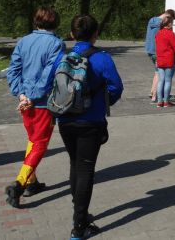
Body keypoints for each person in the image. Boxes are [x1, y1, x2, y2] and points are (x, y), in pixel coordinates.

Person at [57, 14, 124, 239]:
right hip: (91, 121)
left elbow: (51, 86)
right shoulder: (102, 58)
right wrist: (102, 103)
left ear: (72, 34)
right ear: (96, 34)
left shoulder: (62, 58)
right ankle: (79, 226)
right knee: (86, 170)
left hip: (65, 120)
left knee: (74, 164)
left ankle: (80, 211)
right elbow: (116, 87)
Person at [4, 7, 64, 208]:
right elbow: (49, 74)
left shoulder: (24, 41)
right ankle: (20, 183)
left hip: (24, 102)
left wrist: (21, 94)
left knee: (32, 139)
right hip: (43, 103)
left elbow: (13, 70)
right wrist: (32, 96)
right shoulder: (56, 44)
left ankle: (32, 182)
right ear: (56, 23)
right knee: (40, 143)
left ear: (36, 21)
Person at [145, 9, 175, 102]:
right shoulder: (163, 25)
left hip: (149, 49)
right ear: (168, 17)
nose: (171, 23)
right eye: (171, 20)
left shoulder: (152, 20)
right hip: (158, 51)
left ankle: (152, 92)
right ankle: (155, 96)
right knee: (159, 73)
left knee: (157, 72)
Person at [154, 15, 175, 108]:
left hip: (160, 59)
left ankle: (159, 101)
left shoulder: (158, 33)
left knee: (161, 80)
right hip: (169, 59)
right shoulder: (170, 34)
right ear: (169, 24)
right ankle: (166, 101)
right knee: (168, 81)